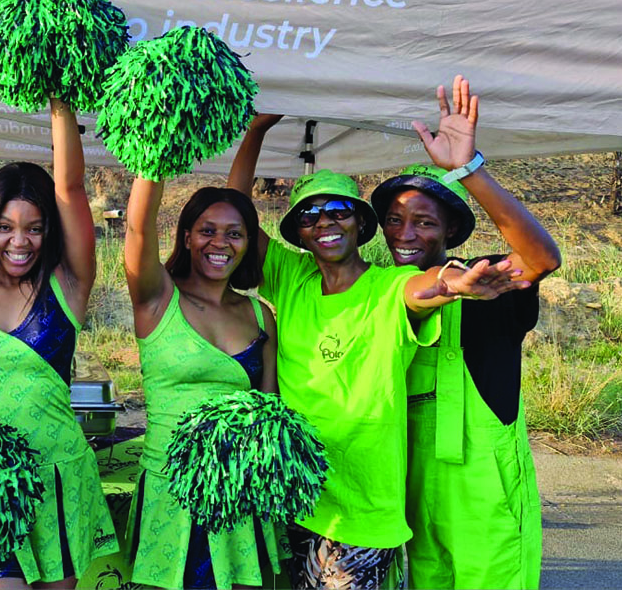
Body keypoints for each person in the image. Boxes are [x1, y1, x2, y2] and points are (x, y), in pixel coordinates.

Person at [229, 115, 529, 590]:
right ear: (298, 233)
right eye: (309, 216)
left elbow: (427, 286)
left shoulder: (388, 288)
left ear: (362, 223)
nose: (324, 223)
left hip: (364, 508)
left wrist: (457, 282)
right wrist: (256, 133)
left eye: (339, 211)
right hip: (297, 493)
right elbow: (236, 212)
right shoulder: (291, 279)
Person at [370, 76, 559, 590]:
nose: (406, 234)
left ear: (451, 231)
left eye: (424, 222)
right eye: (394, 220)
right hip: (412, 484)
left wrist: (468, 171)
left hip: (485, 489)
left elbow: (542, 259)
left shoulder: (484, 280)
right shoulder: (387, 292)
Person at [0, 98, 118, 589]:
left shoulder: (67, 284)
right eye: (5, 227)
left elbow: (71, 189)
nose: (19, 241)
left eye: (34, 228)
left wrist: (59, 101)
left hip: (58, 474)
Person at [123, 173, 281, 590]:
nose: (220, 243)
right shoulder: (158, 296)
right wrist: (151, 158)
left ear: (248, 243)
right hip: (170, 493)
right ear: (187, 236)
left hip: (239, 496)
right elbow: (138, 227)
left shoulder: (260, 314)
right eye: (207, 231)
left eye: (235, 234)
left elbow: (271, 409)